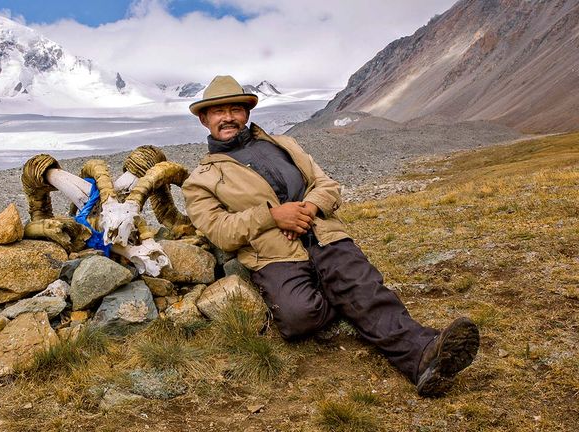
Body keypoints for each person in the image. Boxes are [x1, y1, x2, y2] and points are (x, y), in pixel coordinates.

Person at [181, 75, 480, 396]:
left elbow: (327, 185)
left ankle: (424, 355)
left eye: (235, 109)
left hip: (325, 235)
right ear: (204, 119)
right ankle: (349, 298)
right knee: (299, 317)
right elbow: (220, 232)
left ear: (246, 113)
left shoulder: (286, 145)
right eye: (218, 111)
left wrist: (309, 207)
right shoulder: (200, 180)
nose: (228, 117)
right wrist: (271, 215)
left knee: (365, 289)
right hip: (275, 255)